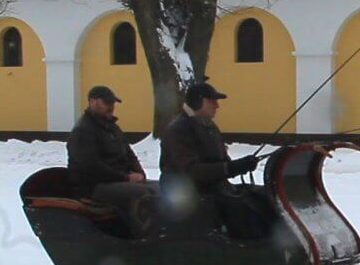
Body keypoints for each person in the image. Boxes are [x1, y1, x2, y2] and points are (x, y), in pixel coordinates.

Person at [159, 81, 272, 238]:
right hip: (189, 191)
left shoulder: (209, 126)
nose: (217, 106)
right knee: (241, 208)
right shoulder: (178, 130)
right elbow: (190, 171)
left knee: (264, 196)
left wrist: (241, 165)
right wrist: (230, 168)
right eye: (212, 101)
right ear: (198, 102)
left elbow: (222, 161)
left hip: (216, 187)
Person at [67, 85, 153, 236]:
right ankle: (140, 237)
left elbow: (128, 153)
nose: (111, 107)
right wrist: (126, 177)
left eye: (112, 103)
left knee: (161, 188)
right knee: (141, 194)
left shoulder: (112, 127)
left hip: (117, 180)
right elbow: (92, 167)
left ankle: (163, 233)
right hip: (94, 186)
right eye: (107, 103)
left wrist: (140, 173)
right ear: (92, 102)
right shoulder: (83, 130)